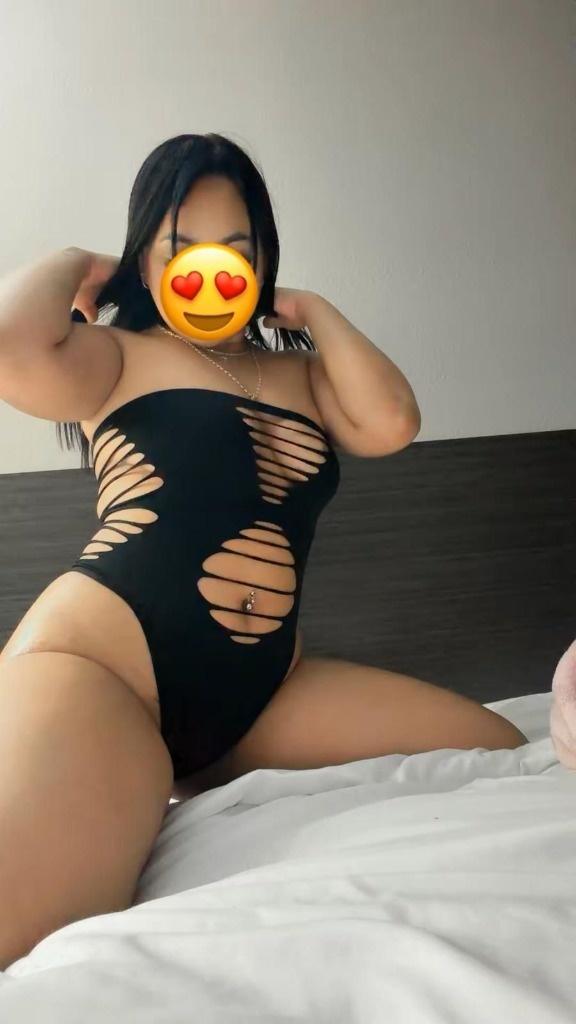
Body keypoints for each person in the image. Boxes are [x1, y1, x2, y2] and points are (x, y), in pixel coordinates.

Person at [0, 132, 531, 969]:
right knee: (21, 924)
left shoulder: (302, 374)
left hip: (261, 695)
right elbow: (9, 344)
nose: (208, 265)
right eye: (180, 246)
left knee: (496, 747)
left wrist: (312, 310)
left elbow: (392, 423)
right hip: (104, 666)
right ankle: (123, 760)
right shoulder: (114, 356)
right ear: (145, 257)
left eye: (235, 248)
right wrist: (81, 263)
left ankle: (183, 767)